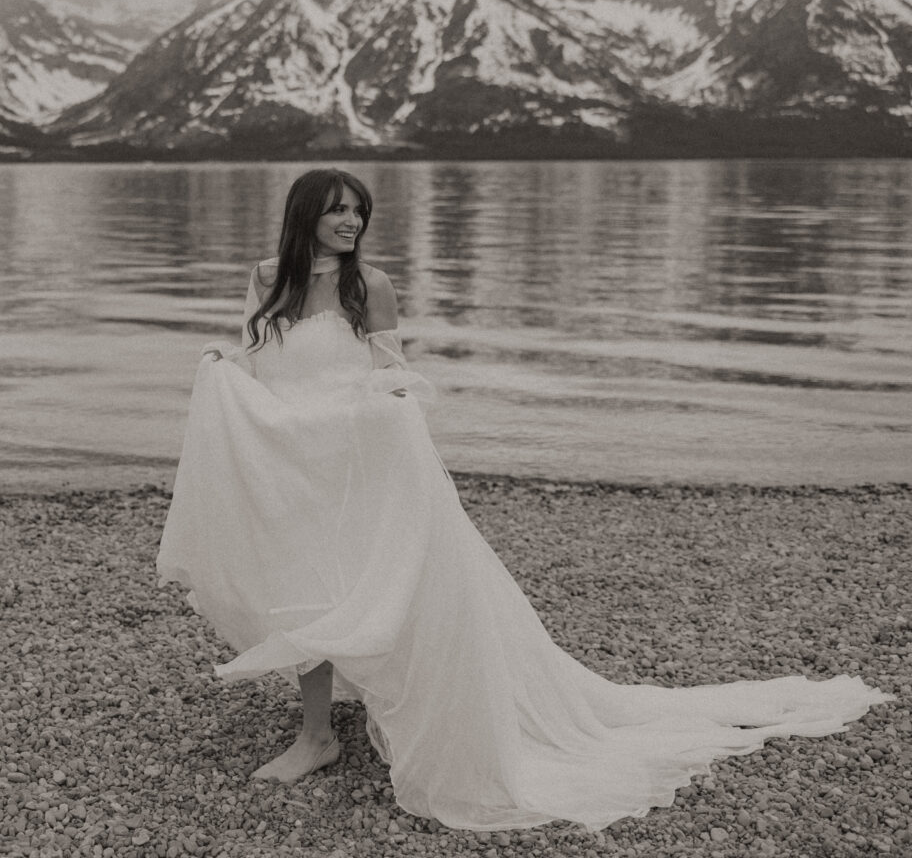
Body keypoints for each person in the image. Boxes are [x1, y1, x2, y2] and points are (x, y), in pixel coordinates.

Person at [157, 168, 892, 831]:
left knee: (372, 589)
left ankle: (371, 717)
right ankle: (317, 732)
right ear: (304, 215)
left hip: (358, 462)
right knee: (303, 588)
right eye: (338, 211)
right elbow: (257, 366)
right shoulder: (266, 280)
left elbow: (394, 375)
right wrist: (222, 367)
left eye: (359, 211)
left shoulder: (368, 286)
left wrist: (385, 408)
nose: (351, 222)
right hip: (295, 463)